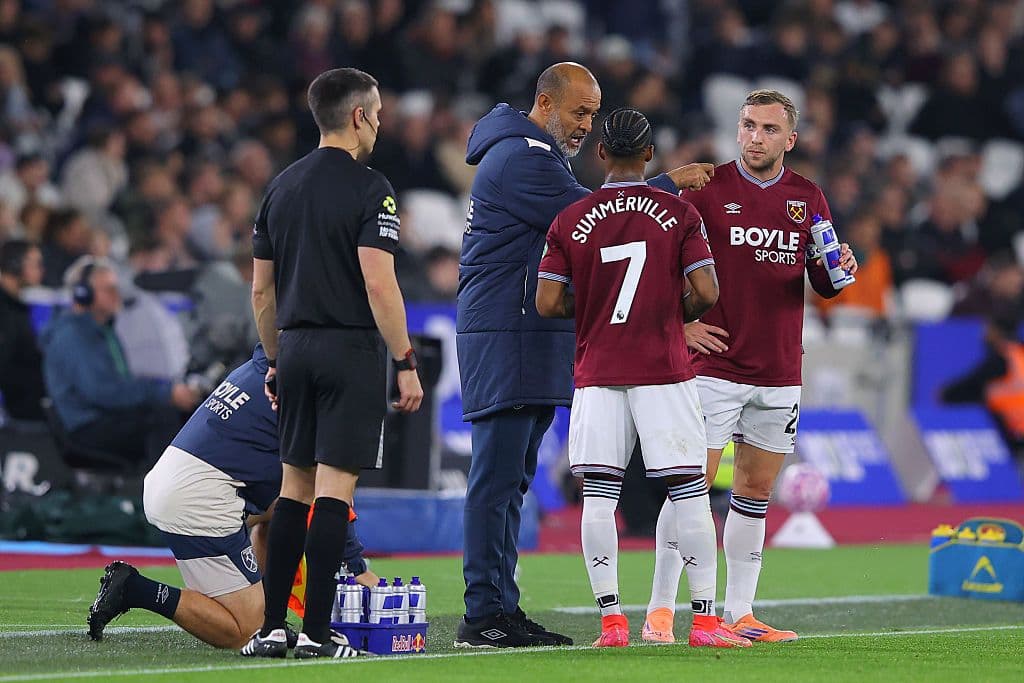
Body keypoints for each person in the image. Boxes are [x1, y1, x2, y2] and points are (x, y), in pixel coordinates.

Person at [455, 61, 713, 649]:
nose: (586, 125)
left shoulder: (528, 154)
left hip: (523, 334)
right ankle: (482, 612)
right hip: (506, 333)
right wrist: (668, 187)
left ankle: (501, 607)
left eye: (594, 114)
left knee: (512, 481)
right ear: (545, 105)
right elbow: (602, 220)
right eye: (579, 112)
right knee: (495, 480)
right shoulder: (524, 158)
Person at [644, 89, 858, 644]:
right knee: (688, 490)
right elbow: (650, 258)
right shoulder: (706, 189)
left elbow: (824, 281)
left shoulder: (808, 196)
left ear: (790, 139)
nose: (754, 137)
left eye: (767, 129)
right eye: (747, 126)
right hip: (713, 366)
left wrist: (840, 269)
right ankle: (661, 610)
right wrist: (678, 325)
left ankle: (740, 612)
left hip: (779, 368)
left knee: (754, 493)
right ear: (736, 130)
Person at [536, 108, 749, 649]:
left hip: (599, 370)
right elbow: (706, 294)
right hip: (663, 369)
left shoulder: (570, 219)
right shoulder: (678, 215)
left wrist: (599, 310)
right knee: (688, 493)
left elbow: (546, 301)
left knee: (599, 498)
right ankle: (702, 622)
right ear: (650, 155)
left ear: (600, 153)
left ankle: (612, 624)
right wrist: (667, 311)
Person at [242, 67, 423, 660]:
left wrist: (273, 359)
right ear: (358, 117)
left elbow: (261, 293)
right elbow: (379, 282)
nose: (379, 123)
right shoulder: (373, 188)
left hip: (292, 348)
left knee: (292, 489)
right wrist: (404, 358)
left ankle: (273, 629)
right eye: (377, 113)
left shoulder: (280, 187)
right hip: (349, 350)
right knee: (333, 494)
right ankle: (320, 633)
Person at [86, 344, 379, 649]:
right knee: (246, 632)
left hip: (183, 481)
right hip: (199, 497)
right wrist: (355, 568)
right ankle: (135, 589)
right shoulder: (309, 388)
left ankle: (270, 613)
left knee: (286, 508)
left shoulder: (264, 369)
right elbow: (329, 493)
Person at [40, 256, 199, 465]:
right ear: (83, 294)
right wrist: (163, 393)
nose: (117, 296)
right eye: (109, 289)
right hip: (87, 426)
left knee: (180, 414)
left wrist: (165, 391)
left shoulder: (103, 330)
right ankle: (156, 491)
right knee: (162, 418)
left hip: (105, 417)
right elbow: (103, 391)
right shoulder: (71, 336)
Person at [943, 315, 1024, 458]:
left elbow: (972, 383)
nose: (984, 333)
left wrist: (945, 394)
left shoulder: (1002, 359)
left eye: (988, 329)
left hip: (1011, 430)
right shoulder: (1019, 354)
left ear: (996, 331)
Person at [0, 239, 46, 421]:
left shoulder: (16, 306)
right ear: (15, 265)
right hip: (18, 409)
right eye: (37, 264)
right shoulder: (4, 311)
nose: (42, 270)